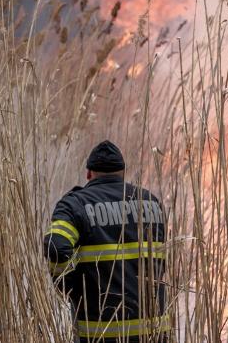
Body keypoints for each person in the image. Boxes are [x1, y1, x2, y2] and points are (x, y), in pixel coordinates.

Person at [44, 140, 168, 342]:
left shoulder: (75, 205)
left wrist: (68, 285)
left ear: (89, 174)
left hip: (102, 332)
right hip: (154, 330)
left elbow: (56, 247)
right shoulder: (152, 203)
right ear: (122, 173)